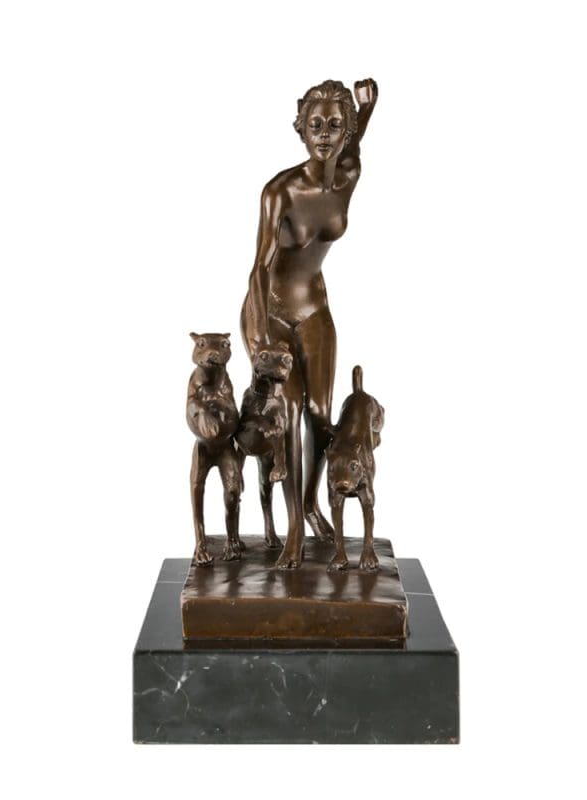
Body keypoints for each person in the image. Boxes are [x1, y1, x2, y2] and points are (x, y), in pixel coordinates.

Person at [240, 77, 378, 568]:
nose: (324, 134)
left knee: (320, 415)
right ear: (300, 129)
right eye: (315, 125)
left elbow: (353, 146)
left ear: (346, 131)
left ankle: (313, 503)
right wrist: (260, 336)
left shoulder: (348, 175)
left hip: (314, 306)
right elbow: (259, 268)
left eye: (334, 126)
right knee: (292, 409)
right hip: (270, 310)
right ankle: (295, 527)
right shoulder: (279, 192)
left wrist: (367, 110)